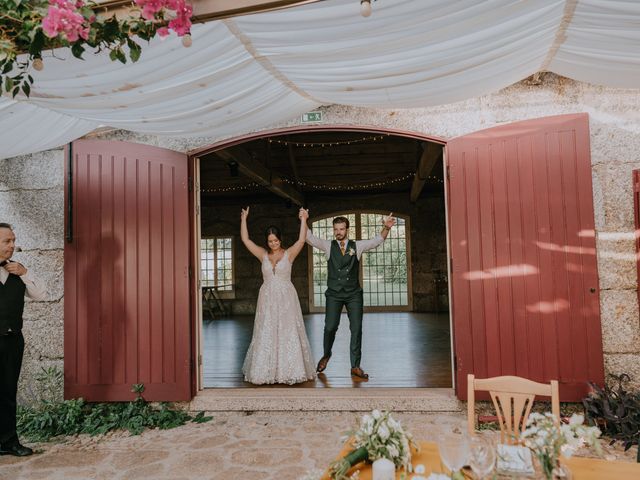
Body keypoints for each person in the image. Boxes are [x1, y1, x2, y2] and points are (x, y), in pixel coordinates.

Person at [304, 211, 396, 380]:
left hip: (354, 294)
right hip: (334, 294)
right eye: (336, 229)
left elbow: (377, 241)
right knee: (330, 327)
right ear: (333, 230)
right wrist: (303, 219)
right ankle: (326, 354)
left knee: (356, 329)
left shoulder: (357, 246)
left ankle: (355, 366)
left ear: (347, 229)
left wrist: (386, 227)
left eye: (342, 229)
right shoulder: (327, 245)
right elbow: (308, 238)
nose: (339, 232)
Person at [240, 207, 316, 385]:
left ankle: (289, 369)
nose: (273, 244)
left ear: (280, 239)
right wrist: (244, 219)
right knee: (266, 331)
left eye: (275, 241)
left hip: (286, 299)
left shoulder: (289, 254)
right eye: (270, 241)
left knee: (287, 330)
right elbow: (245, 239)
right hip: (267, 298)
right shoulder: (263, 255)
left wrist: (304, 218)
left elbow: (301, 239)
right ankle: (265, 369)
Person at [0, 223, 46, 457]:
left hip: (11, 341)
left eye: (13, 240)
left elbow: (41, 294)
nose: (12, 245)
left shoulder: (18, 270)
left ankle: (8, 441)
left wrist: (26, 273)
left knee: (8, 392)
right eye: (7, 241)